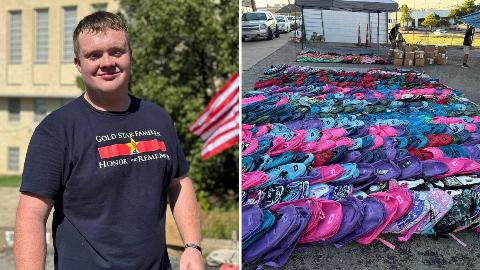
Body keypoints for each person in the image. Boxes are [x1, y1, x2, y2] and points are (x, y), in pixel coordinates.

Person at [14, 11, 204, 270]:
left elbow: (179, 182)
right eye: (94, 55)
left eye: (116, 52)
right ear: (79, 64)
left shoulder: (157, 119)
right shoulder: (56, 130)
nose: (107, 62)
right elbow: (30, 217)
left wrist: (192, 246)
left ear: (130, 56)